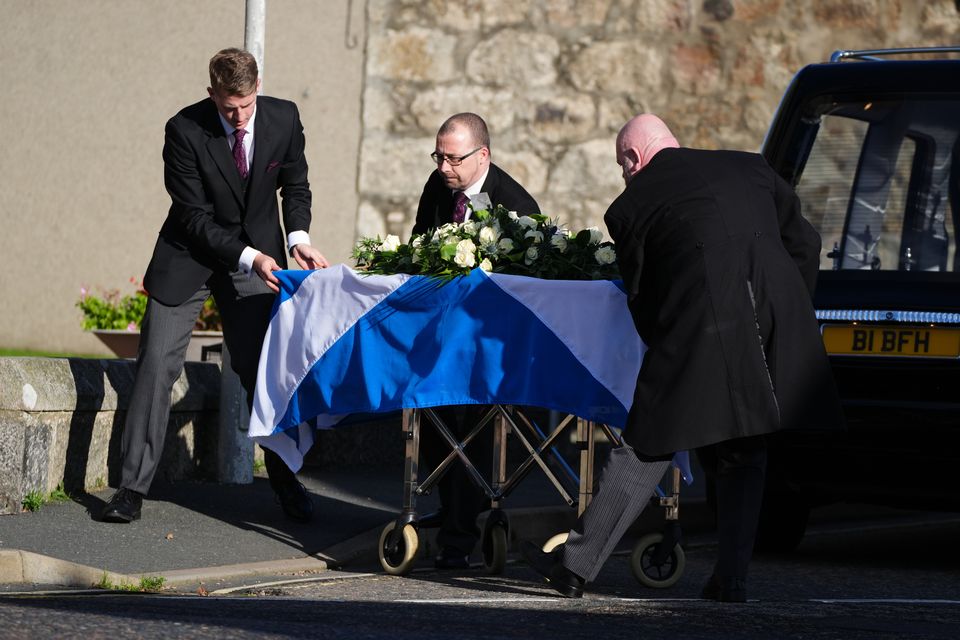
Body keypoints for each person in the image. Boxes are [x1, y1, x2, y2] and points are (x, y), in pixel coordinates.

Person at [520, 114, 844, 601]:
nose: (624, 176)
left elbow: (643, 295)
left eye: (621, 165)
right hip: (771, 323)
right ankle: (731, 580)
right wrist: (790, 309)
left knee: (648, 442)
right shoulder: (750, 167)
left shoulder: (630, 207)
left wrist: (665, 343)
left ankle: (573, 567)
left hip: (698, 330)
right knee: (745, 450)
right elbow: (807, 242)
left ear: (634, 158)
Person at [100, 48, 329, 524]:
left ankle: (286, 480)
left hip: (258, 260)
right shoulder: (183, 129)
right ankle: (131, 488)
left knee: (262, 369)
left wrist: (298, 237)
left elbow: (296, 184)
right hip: (189, 257)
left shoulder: (283, 118)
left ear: (258, 86)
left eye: (246, 105)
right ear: (211, 93)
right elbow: (193, 217)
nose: (239, 115)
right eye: (229, 107)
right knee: (156, 365)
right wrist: (251, 255)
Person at [412, 112, 540, 569]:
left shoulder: (514, 205)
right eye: (439, 156)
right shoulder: (437, 186)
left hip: (491, 349)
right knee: (427, 424)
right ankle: (454, 511)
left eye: (453, 159)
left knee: (471, 433)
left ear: (482, 155)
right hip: (443, 338)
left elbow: (527, 282)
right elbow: (419, 247)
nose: (444, 167)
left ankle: (457, 539)